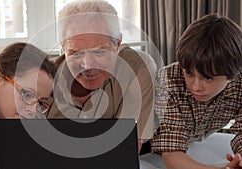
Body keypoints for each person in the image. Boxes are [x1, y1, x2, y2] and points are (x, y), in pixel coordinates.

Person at [46, 0, 157, 153]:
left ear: (117, 45)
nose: (88, 66)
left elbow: (125, 148)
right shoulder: (43, 78)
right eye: (75, 53)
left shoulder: (138, 68)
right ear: (63, 49)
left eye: (99, 52)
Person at [151, 13, 242, 169]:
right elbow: (171, 153)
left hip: (191, 144)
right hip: (143, 148)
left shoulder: (239, 83)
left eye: (208, 78)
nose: (195, 86)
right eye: (189, 73)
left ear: (232, 74)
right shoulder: (167, 80)